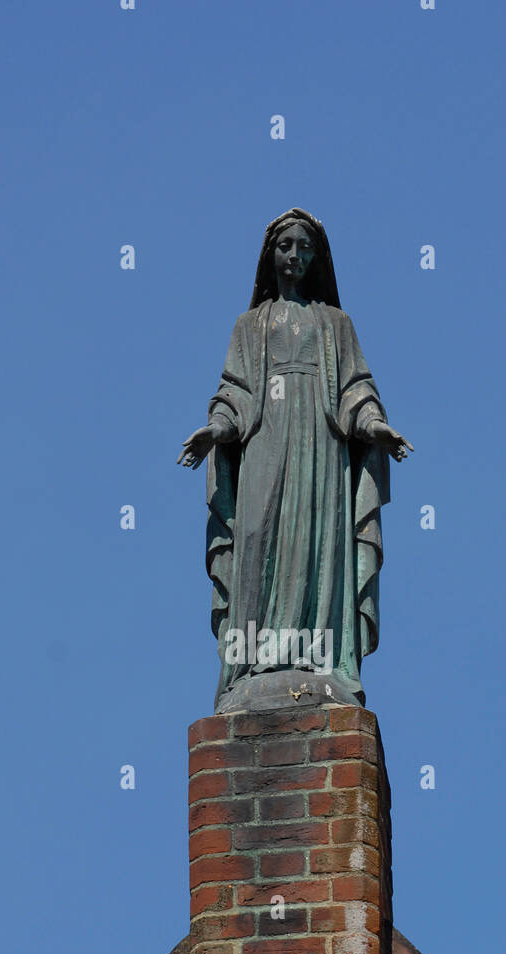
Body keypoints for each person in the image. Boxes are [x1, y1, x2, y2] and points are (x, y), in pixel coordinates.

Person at [177, 208, 413, 712]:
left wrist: (374, 426)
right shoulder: (250, 326)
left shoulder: (335, 324)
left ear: (317, 257)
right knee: (259, 538)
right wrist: (215, 431)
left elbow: (354, 389)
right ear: (271, 255)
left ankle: (320, 663)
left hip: (322, 447)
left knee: (317, 542)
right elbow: (235, 393)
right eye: (286, 245)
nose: (295, 255)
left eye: (305, 247)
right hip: (266, 440)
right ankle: (252, 663)